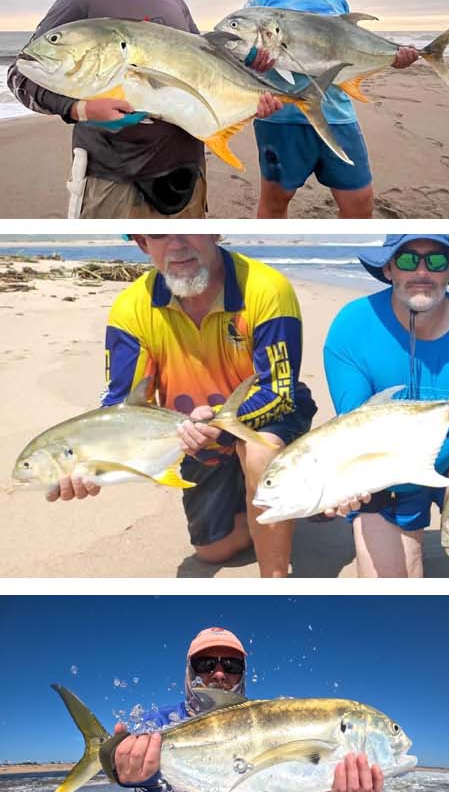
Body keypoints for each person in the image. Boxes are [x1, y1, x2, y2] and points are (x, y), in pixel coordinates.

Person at [44, 235, 315, 576]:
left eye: (189, 231)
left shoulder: (267, 289)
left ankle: (274, 579)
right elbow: (122, 405)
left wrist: (217, 422)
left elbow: (278, 390)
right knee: (213, 550)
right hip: (190, 438)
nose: (176, 245)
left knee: (259, 453)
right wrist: (96, 463)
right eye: (158, 237)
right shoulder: (131, 309)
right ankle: (288, 503)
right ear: (143, 244)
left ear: (215, 233)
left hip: (266, 416)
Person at [4, 0, 280, 218]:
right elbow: (21, 72)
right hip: (115, 182)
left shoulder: (175, 1)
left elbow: (208, 68)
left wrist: (251, 76)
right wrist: (80, 108)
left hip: (190, 175)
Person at [321, 235, 449, 577]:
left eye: (436, 261)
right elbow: (354, 427)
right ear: (389, 267)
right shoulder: (351, 326)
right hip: (384, 476)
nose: (422, 271)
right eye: (408, 260)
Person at [113, 626, 383, 792]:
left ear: (243, 674)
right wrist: (146, 786)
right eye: (205, 664)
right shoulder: (157, 727)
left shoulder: (270, 729)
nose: (219, 674)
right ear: (188, 670)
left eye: (231, 666)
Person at [246, 0, 420, 219]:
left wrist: (395, 57)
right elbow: (241, 48)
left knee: (360, 205)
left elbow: (353, 52)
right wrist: (254, 58)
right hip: (282, 118)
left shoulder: (336, 2)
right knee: (275, 204)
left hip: (337, 114)